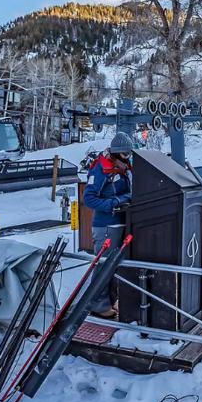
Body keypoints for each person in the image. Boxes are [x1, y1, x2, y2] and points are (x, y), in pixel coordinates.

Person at [83, 131, 135, 319]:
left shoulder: (123, 168)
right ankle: (97, 304)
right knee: (104, 267)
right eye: (124, 154)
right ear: (115, 153)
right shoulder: (101, 169)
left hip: (120, 222)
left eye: (129, 154)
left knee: (114, 267)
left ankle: (110, 301)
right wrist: (114, 203)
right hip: (106, 225)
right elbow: (88, 199)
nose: (127, 158)